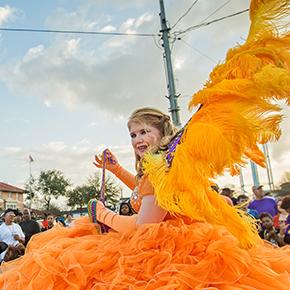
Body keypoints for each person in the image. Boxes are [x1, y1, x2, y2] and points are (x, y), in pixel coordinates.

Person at [0, 1, 290, 288]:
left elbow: (144, 225)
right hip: (164, 248)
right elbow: (145, 191)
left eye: (143, 132)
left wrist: (100, 213)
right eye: (133, 134)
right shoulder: (158, 165)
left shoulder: (167, 164)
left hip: (172, 258)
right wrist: (115, 170)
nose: (138, 140)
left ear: (162, 132)